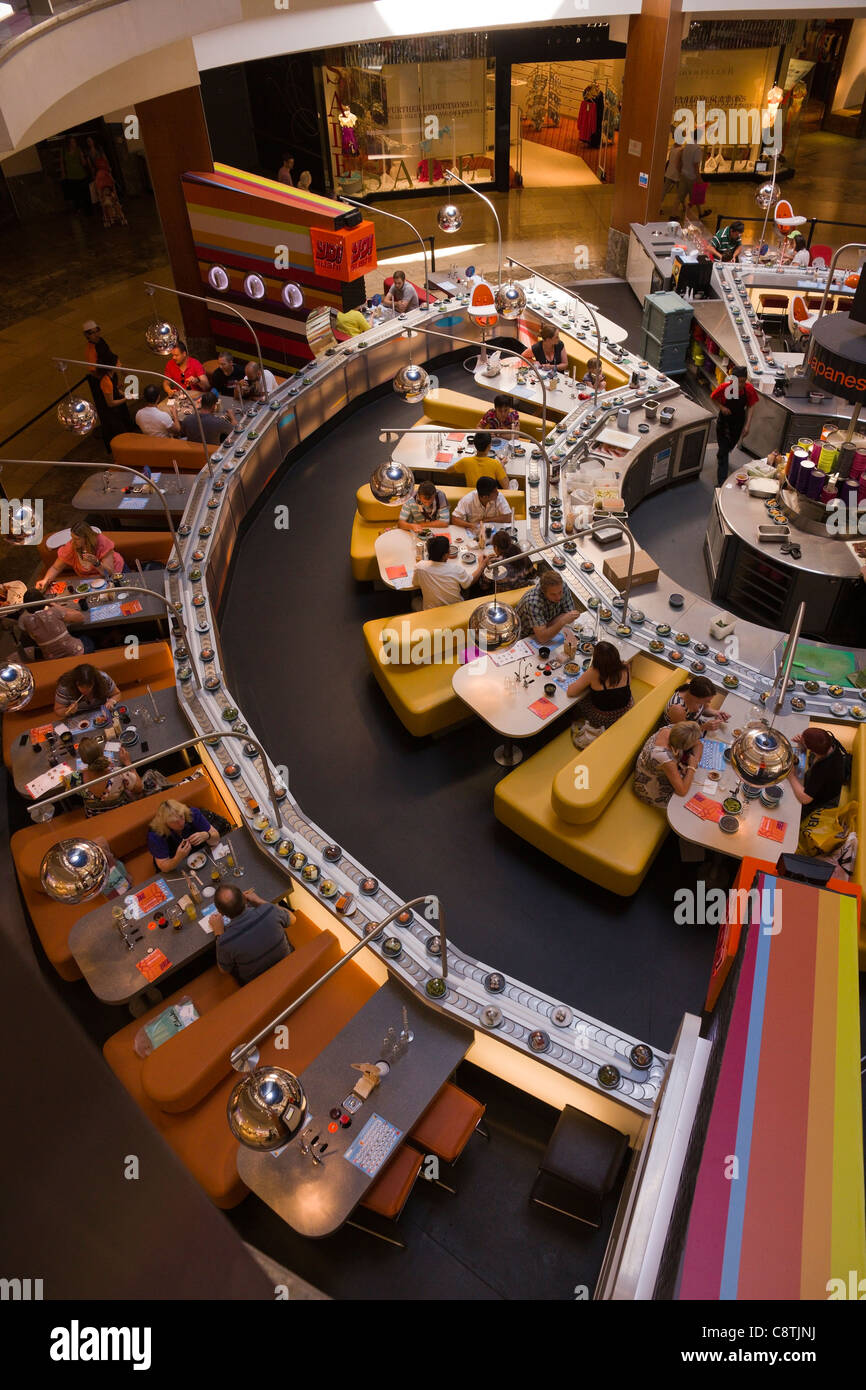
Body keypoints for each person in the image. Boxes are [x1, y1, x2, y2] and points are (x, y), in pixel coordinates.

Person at [213, 885, 295, 985]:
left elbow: (224, 970)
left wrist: (218, 933)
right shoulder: (269, 910)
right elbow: (292, 918)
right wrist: (259, 901)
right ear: (244, 898)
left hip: (257, 982)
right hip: (287, 961)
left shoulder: (224, 941)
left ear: (221, 913)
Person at [566, 641, 634, 738]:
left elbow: (571, 692)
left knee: (580, 701)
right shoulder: (626, 666)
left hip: (604, 718)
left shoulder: (594, 672)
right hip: (627, 708)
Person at [633, 720, 703, 808]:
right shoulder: (665, 757)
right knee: (695, 799)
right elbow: (682, 791)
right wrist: (691, 767)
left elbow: (699, 744)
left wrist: (695, 760)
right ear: (684, 746)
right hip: (650, 788)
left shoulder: (674, 730)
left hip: (665, 772)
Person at [37, 522, 125, 589]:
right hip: (92, 582)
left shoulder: (102, 543)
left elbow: (109, 573)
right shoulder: (71, 547)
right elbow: (56, 568)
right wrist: (45, 580)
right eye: (72, 538)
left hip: (114, 574)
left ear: (86, 538)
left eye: (77, 539)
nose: (73, 542)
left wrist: (97, 563)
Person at [711, 365, 759, 487]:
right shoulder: (724, 387)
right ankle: (721, 483)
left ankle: (722, 454)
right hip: (724, 423)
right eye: (739, 381)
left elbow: (751, 405)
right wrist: (722, 407)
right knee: (724, 451)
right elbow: (713, 397)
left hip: (738, 422)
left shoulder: (748, 389)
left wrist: (747, 425)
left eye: (743, 381)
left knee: (729, 446)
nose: (741, 384)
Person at [17, 588, 93, 660]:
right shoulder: (53, 612)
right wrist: (57, 606)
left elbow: (33, 636)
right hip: (75, 653)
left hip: (53, 659)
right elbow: (80, 617)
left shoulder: (26, 621)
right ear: (44, 601)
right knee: (86, 639)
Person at [146, 799, 220, 872]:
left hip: (200, 857)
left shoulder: (192, 813)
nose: (181, 823)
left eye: (181, 817)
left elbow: (216, 839)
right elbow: (164, 867)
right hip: (175, 865)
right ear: (165, 823)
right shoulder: (156, 834)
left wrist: (207, 835)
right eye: (174, 822)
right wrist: (178, 858)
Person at [412, 534, 482, 610]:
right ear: (445, 555)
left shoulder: (419, 567)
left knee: (415, 601)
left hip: (432, 612)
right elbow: (469, 583)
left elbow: (415, 583)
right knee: (465, 590)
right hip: (455, 610)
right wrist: (482, 565)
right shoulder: (456, 569)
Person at [787, 728, 847, 814]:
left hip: (825, 801)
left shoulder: (823, 768)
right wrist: (802, 743)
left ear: (813, 751)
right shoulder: (829, 742)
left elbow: (806, 799)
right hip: (824, 783)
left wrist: (791, 776)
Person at [78, 735, 143, 813]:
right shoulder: (118, 773)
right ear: (102, 753)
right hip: (120, 812)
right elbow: (139, 788)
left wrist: (84, 771)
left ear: (83, 760)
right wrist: (128, 763)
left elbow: (66, 782)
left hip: (94, 816)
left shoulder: (74, 778)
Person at [515, 570, 581, 642]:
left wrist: (547, 627)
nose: (558, 597)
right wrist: (562, 620)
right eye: (553, 594)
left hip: (544, 630)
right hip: (524, 636)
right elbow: (542, 638)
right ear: (543, 592)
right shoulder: (533, 602)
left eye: (560, 592)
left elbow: (570, 615)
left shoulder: (562, 586)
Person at [474, 528, 535, 596]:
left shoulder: (494, 563)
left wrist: (482, 565)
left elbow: (484, 586)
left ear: (496, 547)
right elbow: (532, 574)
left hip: (503, 595)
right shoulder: (522, 555)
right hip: (521, 591)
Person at [664, 675, 729, 733]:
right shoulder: (678, 709)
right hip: (683, 735)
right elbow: (682, 734)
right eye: (706, 701)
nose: (709, 703)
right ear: (695, 697)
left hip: (695, 727)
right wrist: (703, 727)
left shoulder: (693, 688)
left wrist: (716, 713)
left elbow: (704, 708)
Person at [85, 137, 127, 228]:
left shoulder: (99, 150)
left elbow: (105, 159)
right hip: (98, 174)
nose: (90, 142)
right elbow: (90, 166)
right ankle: (108, 216)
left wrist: (108, 170)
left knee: (113, 197)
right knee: (103, 199)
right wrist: (94, 176)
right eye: (88, 141)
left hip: (105, 172)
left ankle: (118, 214)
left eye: (90, 140)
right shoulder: (88, 153)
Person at [53, 663, 119, 718]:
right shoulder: (65, 686)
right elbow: (58, 710)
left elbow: (116, 694)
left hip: (102, 712)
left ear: (94, 682)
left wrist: (111, 701)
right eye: (81, 686)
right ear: (75, 683)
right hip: (78, 717)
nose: (85, 691)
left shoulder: (103, 679)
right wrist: (68, 710)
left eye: (89, 686)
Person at [61, 135, 91, 215]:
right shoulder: (64, 151)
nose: (74, 143)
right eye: (72, 142)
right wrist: (63, 173)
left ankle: (87, 209)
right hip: (71, 176)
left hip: (81, 174)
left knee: (84, 193)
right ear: (68, 143)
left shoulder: (78, 149)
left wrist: (83, 157)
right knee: (75, 194)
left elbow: (83, 162)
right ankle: (78, 209)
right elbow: (62, 162)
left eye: (74, 141)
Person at [678, 131, 704, 221]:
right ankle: (699, 213)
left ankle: (674, 213)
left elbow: (682, 160)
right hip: (692, 176)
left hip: (684, 174)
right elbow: (695, 165)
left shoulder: (687, 146)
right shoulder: (697, 149)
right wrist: (699, 178)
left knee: (681, 195)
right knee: (695, 195)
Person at [660, 137, 683, 214]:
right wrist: (681, 172)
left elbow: (669, 160)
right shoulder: (681, 150)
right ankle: (680, 210)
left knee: (664, 191)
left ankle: (657, 206)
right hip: (677, 174)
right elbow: (679, 163)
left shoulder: (672, 148)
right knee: (681, 192)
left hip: (669, 172)